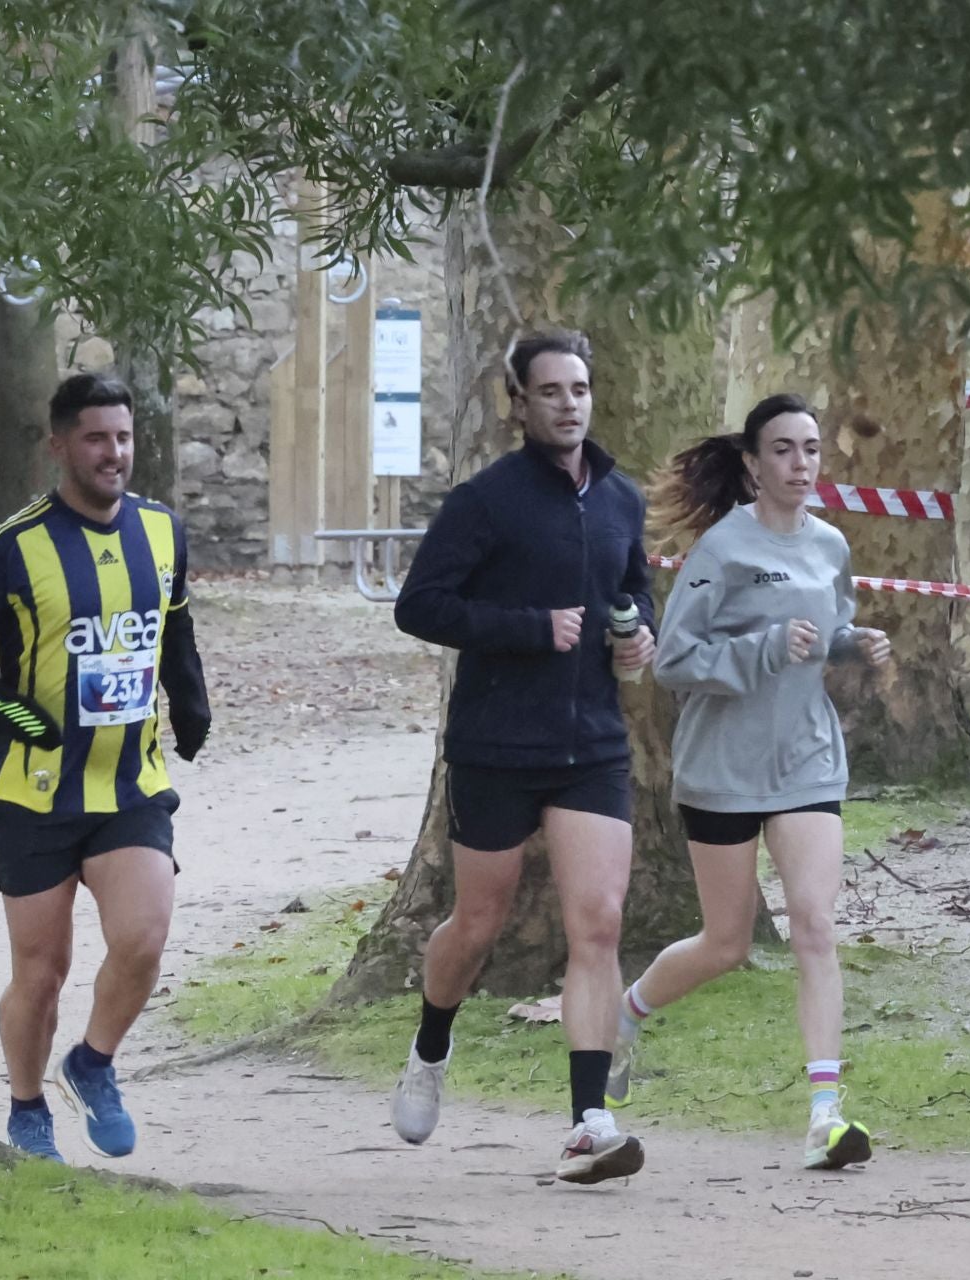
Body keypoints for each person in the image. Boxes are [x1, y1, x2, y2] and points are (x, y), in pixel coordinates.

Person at [0, 372, 211, 1162]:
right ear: (60, 447)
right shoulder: (14, 547)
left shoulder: (162, 531)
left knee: (144, 939)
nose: (113, 452)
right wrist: (16, 716)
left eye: (122, 437)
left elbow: (173, 626)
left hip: (129, 784)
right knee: (42, 972)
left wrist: (191, 704)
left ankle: (93, 1063)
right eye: (95, 438)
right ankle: (25, 1107)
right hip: (32, 794)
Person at [387, 330, 656, 1185]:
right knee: (479, 922)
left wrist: (635, 633)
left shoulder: (620, 499)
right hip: (497, 744)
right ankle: (431, 1046)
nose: (569, 403)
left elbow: (631, 587)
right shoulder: (486, 502)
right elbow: (420, 606)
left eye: (579, 388)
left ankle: (589, 1121)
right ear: (521, 403)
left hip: (591, 746)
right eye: (551, 391)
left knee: (599, 922)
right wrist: (527, 629)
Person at [610, 392, 891, 1172]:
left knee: (814, 925)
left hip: (805, 759)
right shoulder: (722, 552)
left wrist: (852, 645)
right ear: (751, 464)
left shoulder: (832, 544)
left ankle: (826, 1117)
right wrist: (764, 647)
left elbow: (823, 635)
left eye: (810, 449)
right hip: (723, 770)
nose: (801, 464)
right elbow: (671, 663)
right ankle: (626, 1014)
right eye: (784, 450)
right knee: (727, 944)